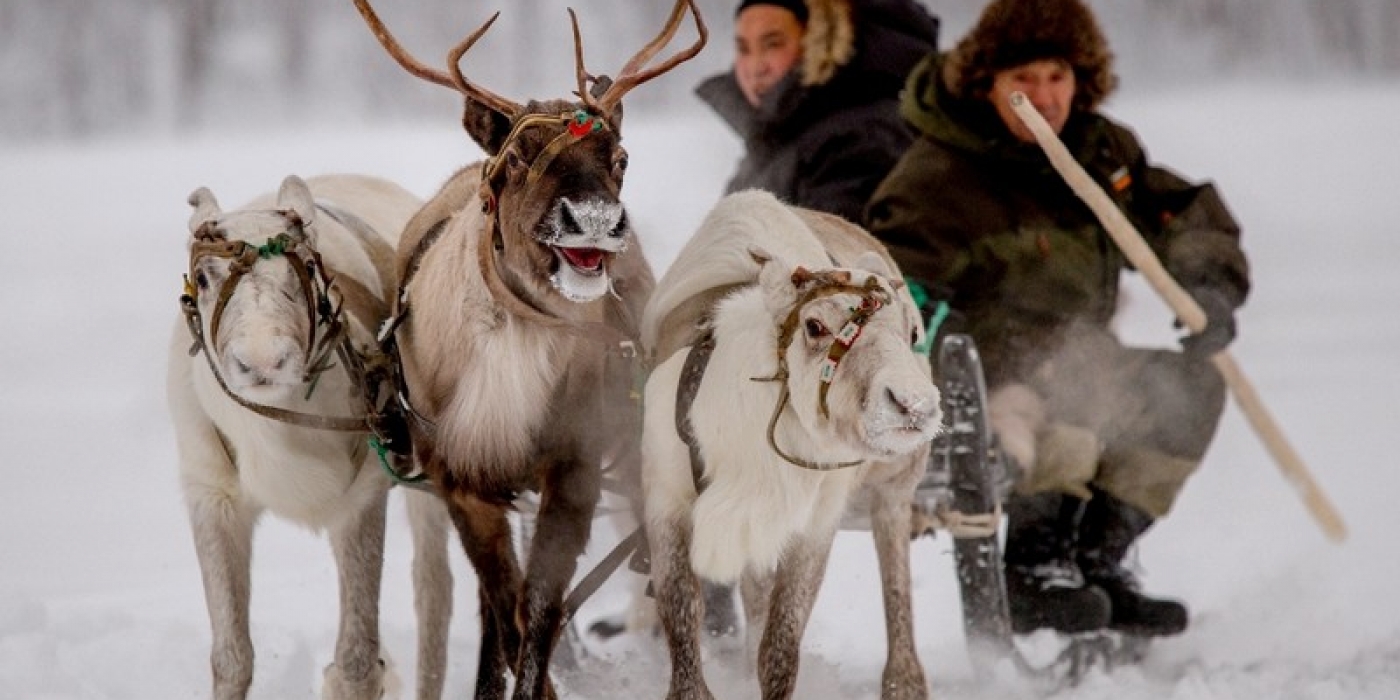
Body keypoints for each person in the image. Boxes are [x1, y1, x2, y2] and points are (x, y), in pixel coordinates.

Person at [865, 0, 1249, 638]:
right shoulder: (936, 179)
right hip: (983, 374)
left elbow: (1180, 214)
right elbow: (898, 299)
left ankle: (1098, 562)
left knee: (1190, 386)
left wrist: (1208, 286)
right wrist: (958, 358)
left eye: (1057, 77)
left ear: (1082, 80)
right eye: (1024, 79)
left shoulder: (1103, 154)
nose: (1044, 97)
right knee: (1070, 384)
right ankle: (1034, 569)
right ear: (987, 83)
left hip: (1083, 356)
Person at [695, 0, 940, 223]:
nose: (755, 67)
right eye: (744, 49)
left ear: (818, 43)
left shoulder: (859, 138)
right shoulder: (779, 142)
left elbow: (836, 264)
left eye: (773, 44)